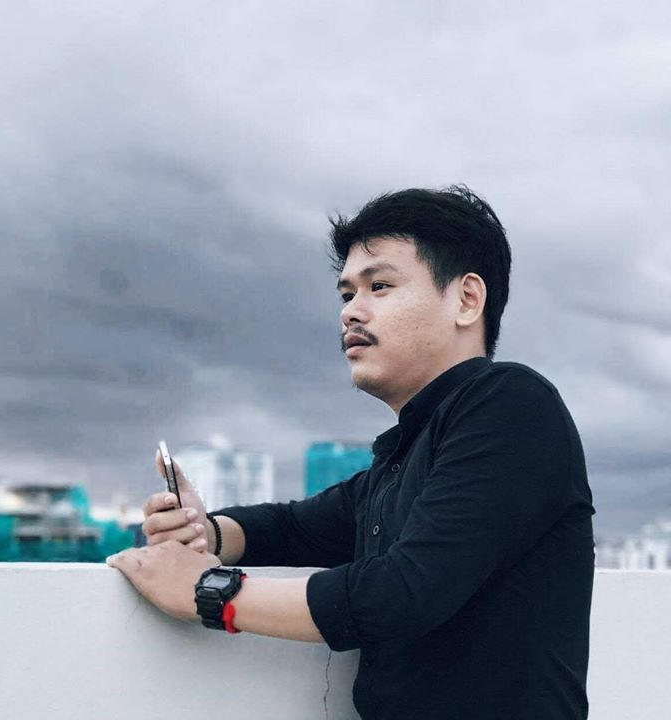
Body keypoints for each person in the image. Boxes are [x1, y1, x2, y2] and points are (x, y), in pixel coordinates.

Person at [107, 186, 596, 719]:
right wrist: (206, 532)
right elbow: (295, 527)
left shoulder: (513, 405)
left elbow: (403, 592)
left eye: (379, 286)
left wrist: (208, 592)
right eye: (346, 295)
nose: (350, 313)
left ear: (466, 299)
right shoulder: (402, 457)